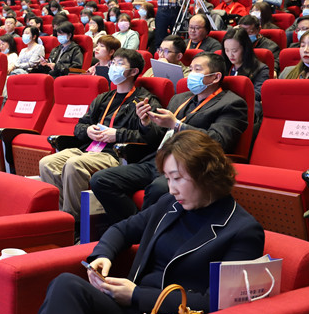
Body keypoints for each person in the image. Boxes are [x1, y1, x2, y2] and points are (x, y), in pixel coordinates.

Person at [30, 130, 264, 314]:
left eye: (177, 178)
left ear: (207, 174)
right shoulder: (170, 204)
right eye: (167, 179)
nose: (171, 189)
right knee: (65, 284)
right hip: (132, 306)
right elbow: (122, 229)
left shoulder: (243, 231)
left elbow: (215, 303)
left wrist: (136, 295)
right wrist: (103, 255)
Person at [89, 52, 248, 226]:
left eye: (197, 70)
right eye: (191, 69)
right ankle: (135, 228)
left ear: (215, 77)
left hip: (188, 165)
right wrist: (146, 123)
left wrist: (177, 125)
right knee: (101, 180)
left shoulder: (231, 103)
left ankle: (144, 232)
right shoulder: (179, 98)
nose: (191, 74)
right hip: (157, 159)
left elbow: (218, 141)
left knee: (158, 188)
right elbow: (157, 135)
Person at [39, 49, 160, 219]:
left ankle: (75, 221)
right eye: (113, 63)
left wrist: (117, 134)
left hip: (115, 154)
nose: (113, 67)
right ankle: (61, 216)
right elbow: (79, 126)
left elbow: (152, 137)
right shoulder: (103, 98)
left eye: (119, 63)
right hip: (90, 149)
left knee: (74, 164)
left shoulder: (145, 101)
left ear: (134, 71)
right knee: (47, 163)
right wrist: (88, 130)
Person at [221, 27, 269, 125]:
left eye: (234, 50)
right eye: (227, 50)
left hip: (242, 107)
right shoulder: (222, 65)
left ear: (245, 48)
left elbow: (257, 94)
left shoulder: (260, 69)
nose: (230, 55)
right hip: (221, 106)